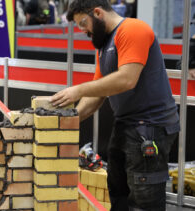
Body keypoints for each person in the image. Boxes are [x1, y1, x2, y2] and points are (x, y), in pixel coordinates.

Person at [51, 0, 180, 210]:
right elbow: (98, 92)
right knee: (117, 192)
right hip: (126, 125)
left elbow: (127, 79)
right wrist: (67, 120)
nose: (83, 30)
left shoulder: (133, 29)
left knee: (143, 200)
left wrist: (78, 90)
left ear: (97, 12)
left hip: (150, 127)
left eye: (83, 23)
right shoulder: (103, 44)